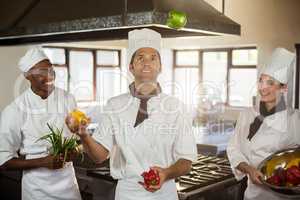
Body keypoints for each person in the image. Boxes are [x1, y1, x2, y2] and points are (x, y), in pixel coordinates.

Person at [66, 28, 197, 200]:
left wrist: (166, 173)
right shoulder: (115, 105)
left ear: (160, 66)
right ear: (131, 66)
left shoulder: (176, 107)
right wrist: (83, 134)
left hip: (164, 194)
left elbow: (186, 161)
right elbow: (99, 157)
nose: (147, 63)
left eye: (153, 58)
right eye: (140, 58)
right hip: (127, 193)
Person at [0, 47, 82, 200]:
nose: (49, 76)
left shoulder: (68, 99)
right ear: (27, 76)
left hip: (68, 186)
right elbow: (4, 161)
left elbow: (79, 140)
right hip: (37, 189)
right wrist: (43, 162)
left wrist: (75, 151)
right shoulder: (14, 110)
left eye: (51, 70)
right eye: (42, 72)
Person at [227, 47, 300, 200]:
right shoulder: (247, 115)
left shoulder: (295, 119)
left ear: (284, 87)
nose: (263, 88)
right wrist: (249, 169)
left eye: (270, 83)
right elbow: (234, 149)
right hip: (253, 195)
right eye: (261, 80)